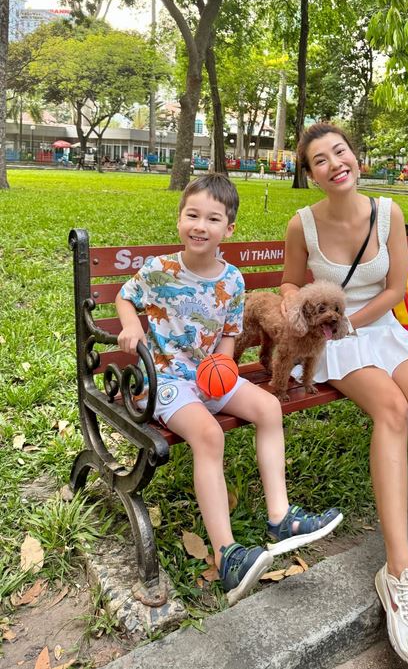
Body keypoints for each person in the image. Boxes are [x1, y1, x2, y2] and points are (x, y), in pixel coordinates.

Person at [280, 124, 408, 668]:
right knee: (391, 408)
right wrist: (304, 311)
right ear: (311, 174)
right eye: (320, 160)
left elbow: (396, 288)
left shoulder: (388, 212)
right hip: (333, 342)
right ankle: (398, 570)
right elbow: (290, 283)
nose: (334, 164)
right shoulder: (302, 224)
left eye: (340, 151)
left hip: (379, 327)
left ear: (355, 156)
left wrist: (354, 320)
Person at [115, 172, 342, 606]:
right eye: (192, 215)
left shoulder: (233, 280)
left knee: (269, 408)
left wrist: (222, 364)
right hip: (166, 381)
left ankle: (281, 517)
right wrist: (130, 325)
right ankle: (227, 554)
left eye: (212, 218)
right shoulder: (160, 271)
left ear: (229, 228)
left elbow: (230, 335)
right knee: (209, 435)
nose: (200, 226)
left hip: (210, 376)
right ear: (180, 219)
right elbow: (125, 297)